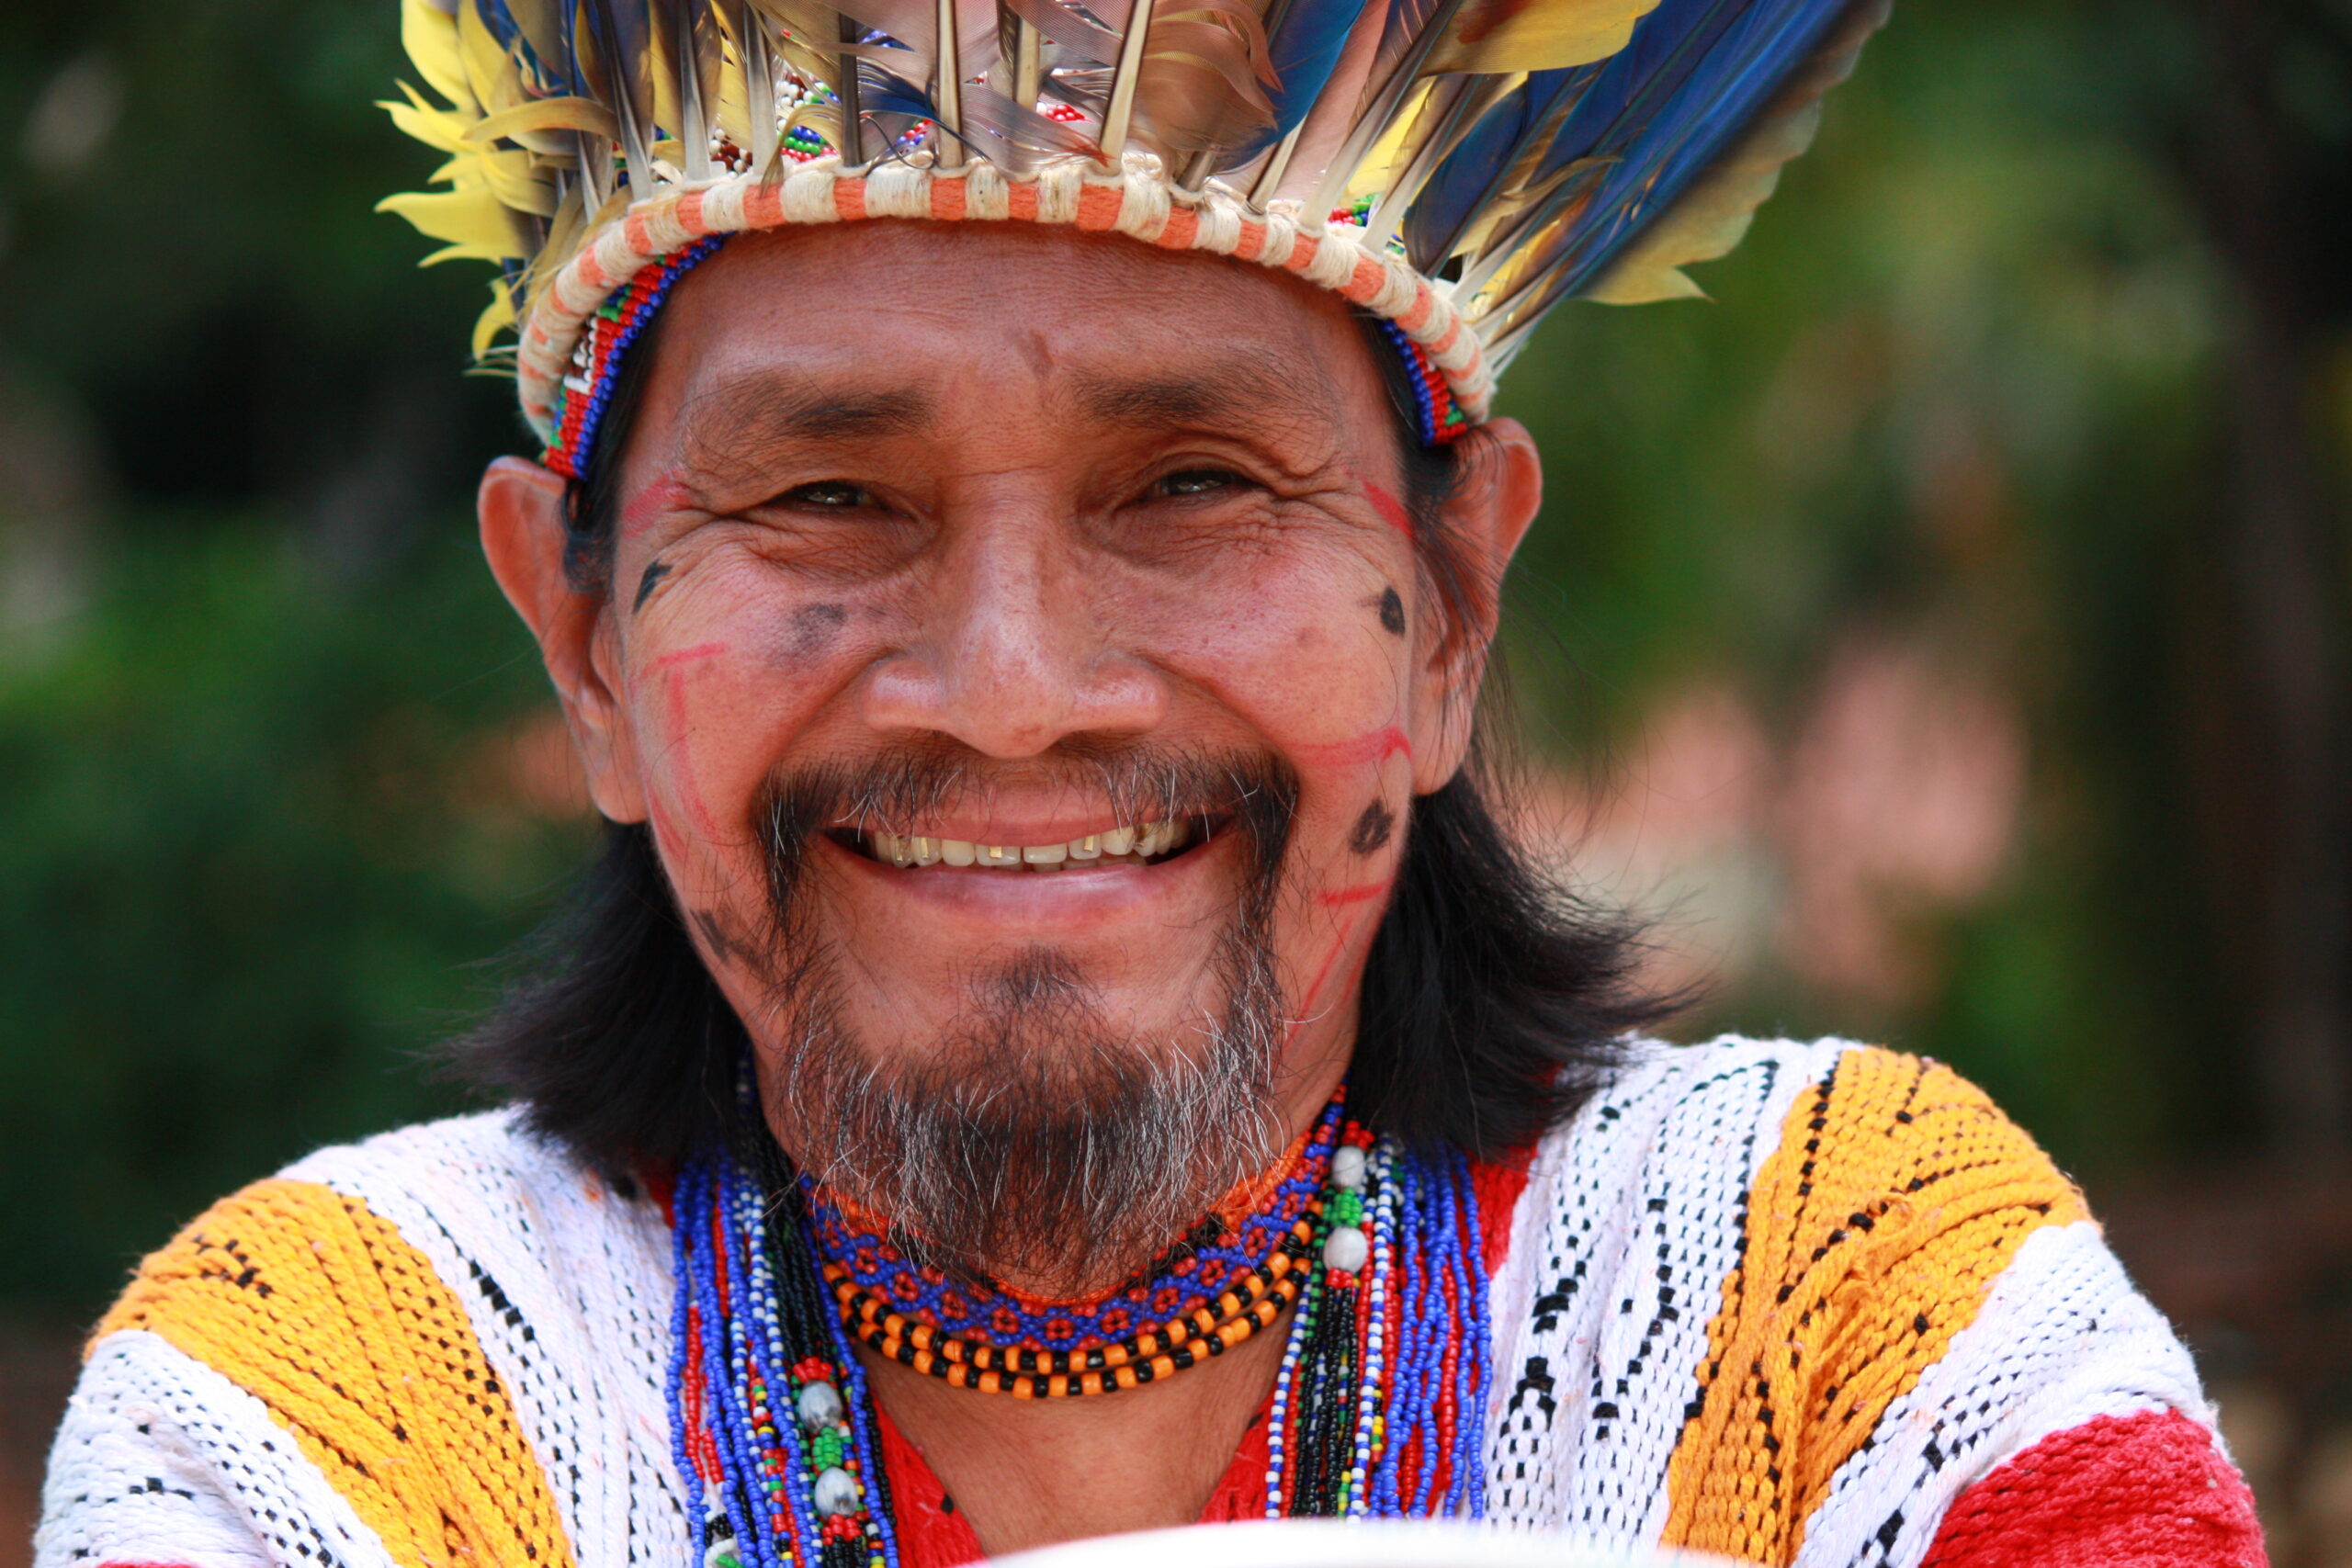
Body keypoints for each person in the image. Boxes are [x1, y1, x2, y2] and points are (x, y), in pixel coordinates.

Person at [36, 0, 2267, 1563]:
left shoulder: (1845, 1303)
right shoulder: (338, 1413)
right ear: (587, 640)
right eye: (822, 494)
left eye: (1193, 482)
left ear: (1452, 601)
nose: (1011, 693)